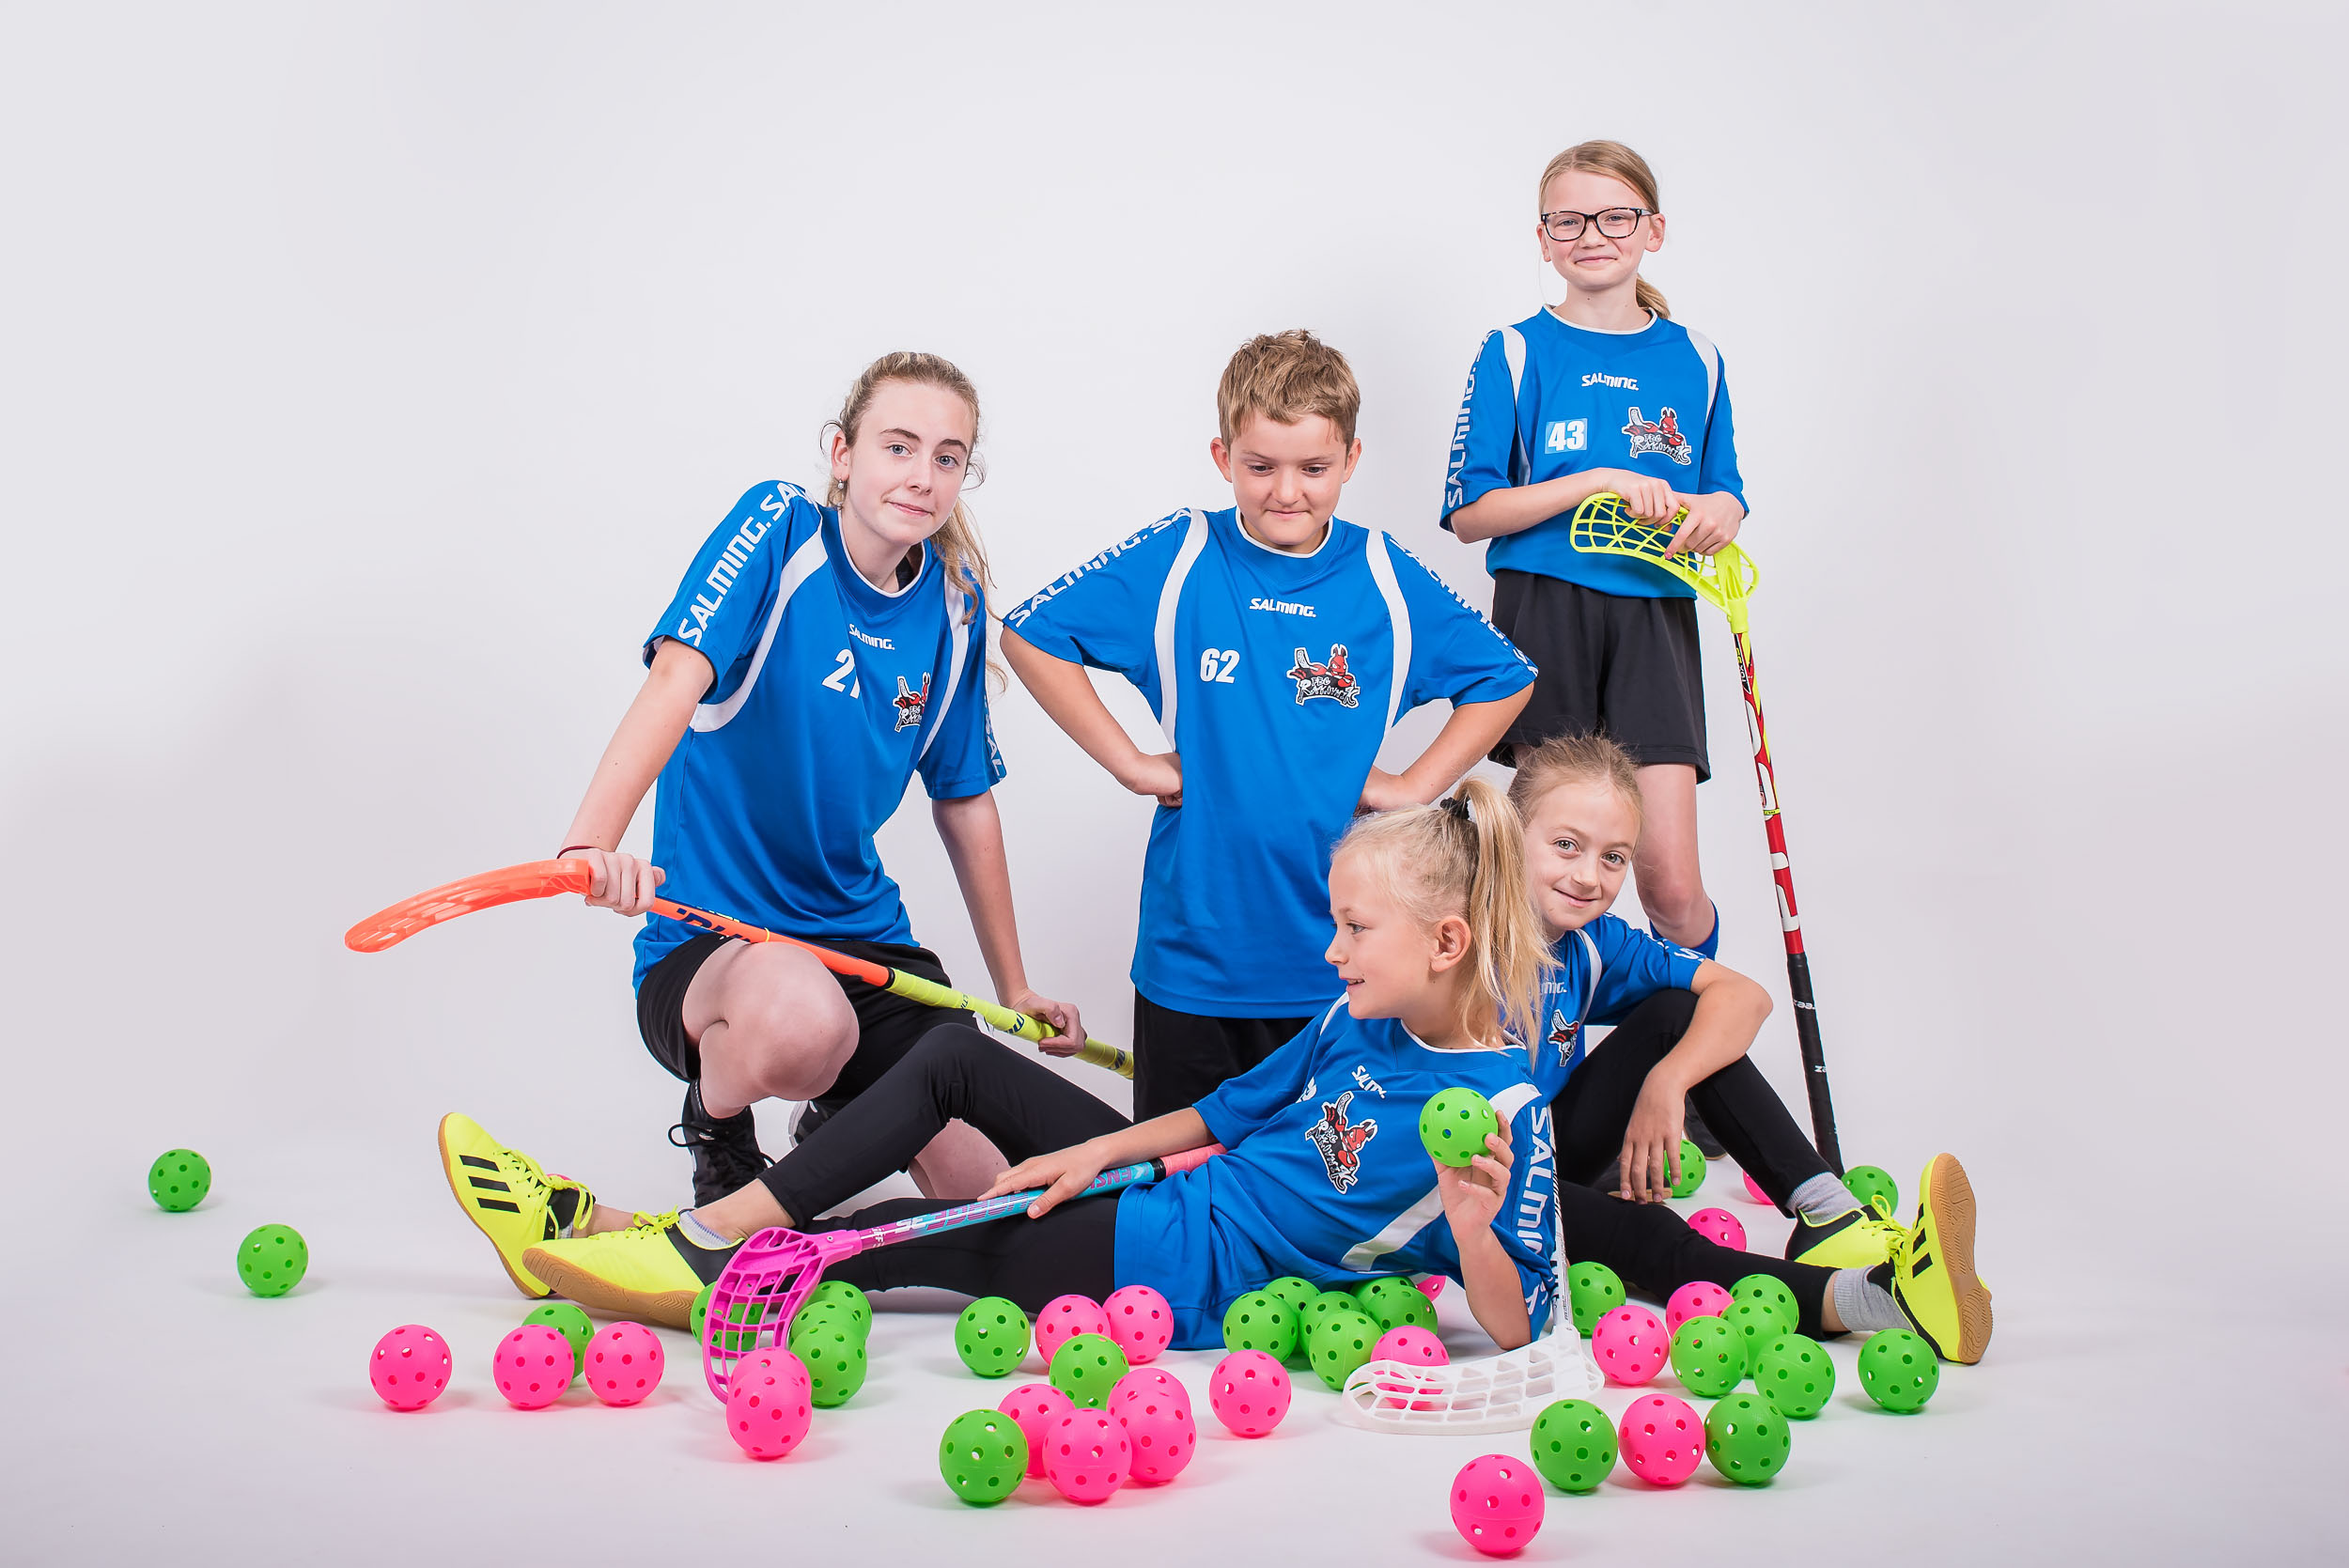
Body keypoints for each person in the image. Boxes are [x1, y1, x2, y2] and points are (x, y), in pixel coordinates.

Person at [459, 783, 1993, 1366]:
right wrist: (1093, 1147)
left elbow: (1525, 1318)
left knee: (912, 1249)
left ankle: (1867, 1296)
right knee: (951, 1065)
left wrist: (1473, 1225)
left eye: (1353, 929)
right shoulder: (1357, 1025)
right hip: (1161, 1195)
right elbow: (1228, 1112)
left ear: (1446, 938)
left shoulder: (1503, 1120)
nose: (1329, 949)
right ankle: (707, 1236)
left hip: (1175, 1265)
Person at [444, 353, 1085, 1261]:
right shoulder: (779, 533)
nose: (921, 475)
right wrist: (590, 843)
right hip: (717, 947)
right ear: (841, 453)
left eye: (948, 457)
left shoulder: (954, 605)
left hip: (866, 947)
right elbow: (676, 680)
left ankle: (806, 1155)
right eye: (898, 446)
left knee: (988, 1204)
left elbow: (966, 802)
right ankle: (719, 1132)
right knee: (806, 1026)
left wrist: (1014, 988)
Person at [1000, 330, 1535, 1119]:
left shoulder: (1384, 573)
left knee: (1316, 1176)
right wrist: (1131, 763)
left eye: (1314, 468)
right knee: (1184, 1174)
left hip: (1342, 965)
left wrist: (1414, 786)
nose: (1287, 491)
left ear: (1351, 460)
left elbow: (1506, 676)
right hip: (1196, 956)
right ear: (1223, 457)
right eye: (1261, 467)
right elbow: (1031, 633)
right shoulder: (1183, 553)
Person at [1441, 140, 1745, 967]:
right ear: (1544, 238)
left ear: (1653, 230)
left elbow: (1725, 494)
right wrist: (1598, 480)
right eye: (1569, 220)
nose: (1593, 235)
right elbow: (1470, 512)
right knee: (1546, 876)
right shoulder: (1514, 349)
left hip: (1656, 614)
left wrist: (1720, 512)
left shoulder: (1697, 357)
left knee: (1671, 886)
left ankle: (1689, 1042)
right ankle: (1535, 1044)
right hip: (1547, 609)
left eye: (1615, 217)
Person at [1508, 734, 1901, 1266]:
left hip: (1551, 1149)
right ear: (1509, 830)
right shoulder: (1451, 933)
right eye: (1566, 845)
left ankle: (1828, 1213)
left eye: (1613, 857)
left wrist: (1668, 1081)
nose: (1587, 877)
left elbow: (1746, 997)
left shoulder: (1598, 940)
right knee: (1646, 1231)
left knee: (1680, 1012)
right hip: (1465, 1175)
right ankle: (1851, 1295)